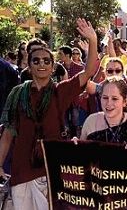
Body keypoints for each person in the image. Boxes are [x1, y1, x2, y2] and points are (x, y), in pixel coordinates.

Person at [0, 18, 97, 209]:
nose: (41, 64)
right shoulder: (17, 94)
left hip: (52, 170)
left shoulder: (60, 91)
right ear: (29, 64)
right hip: (21, 172)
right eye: (36, 61)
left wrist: (93, 41)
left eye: (46, 61)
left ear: (53, 67)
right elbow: (8, 133)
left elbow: (87, 73)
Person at [74, 76, 127, 147]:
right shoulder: (91, 121)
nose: (109, 103)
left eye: (114, 99)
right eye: (105, 98)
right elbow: (81, 157)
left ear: (124, 102)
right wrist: (74, 146)